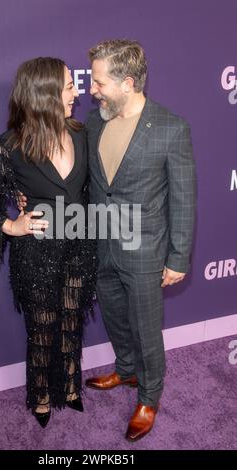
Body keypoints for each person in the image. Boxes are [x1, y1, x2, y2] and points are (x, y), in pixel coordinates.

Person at [0, 57, 97, 429]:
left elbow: (90, 189)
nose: (77, 92)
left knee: (72, 322)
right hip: (36, 254)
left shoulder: (82, 133)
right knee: (43, 327)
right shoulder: (14, 144)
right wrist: (10, 225)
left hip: (79, 248)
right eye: (69, 86)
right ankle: (41, 396)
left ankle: (69, 385)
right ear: (45, 93)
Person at [83, 39, 196, 441]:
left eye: (97, 82)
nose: (90, 89)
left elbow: (183, 198)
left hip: (146, 250)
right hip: (102, 246)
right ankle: (126, 370)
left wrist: (178, 258)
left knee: (148, 328)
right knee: (114, 316)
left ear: (127, 82)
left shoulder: (170, 127)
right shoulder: (94, 121)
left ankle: (149, 396)